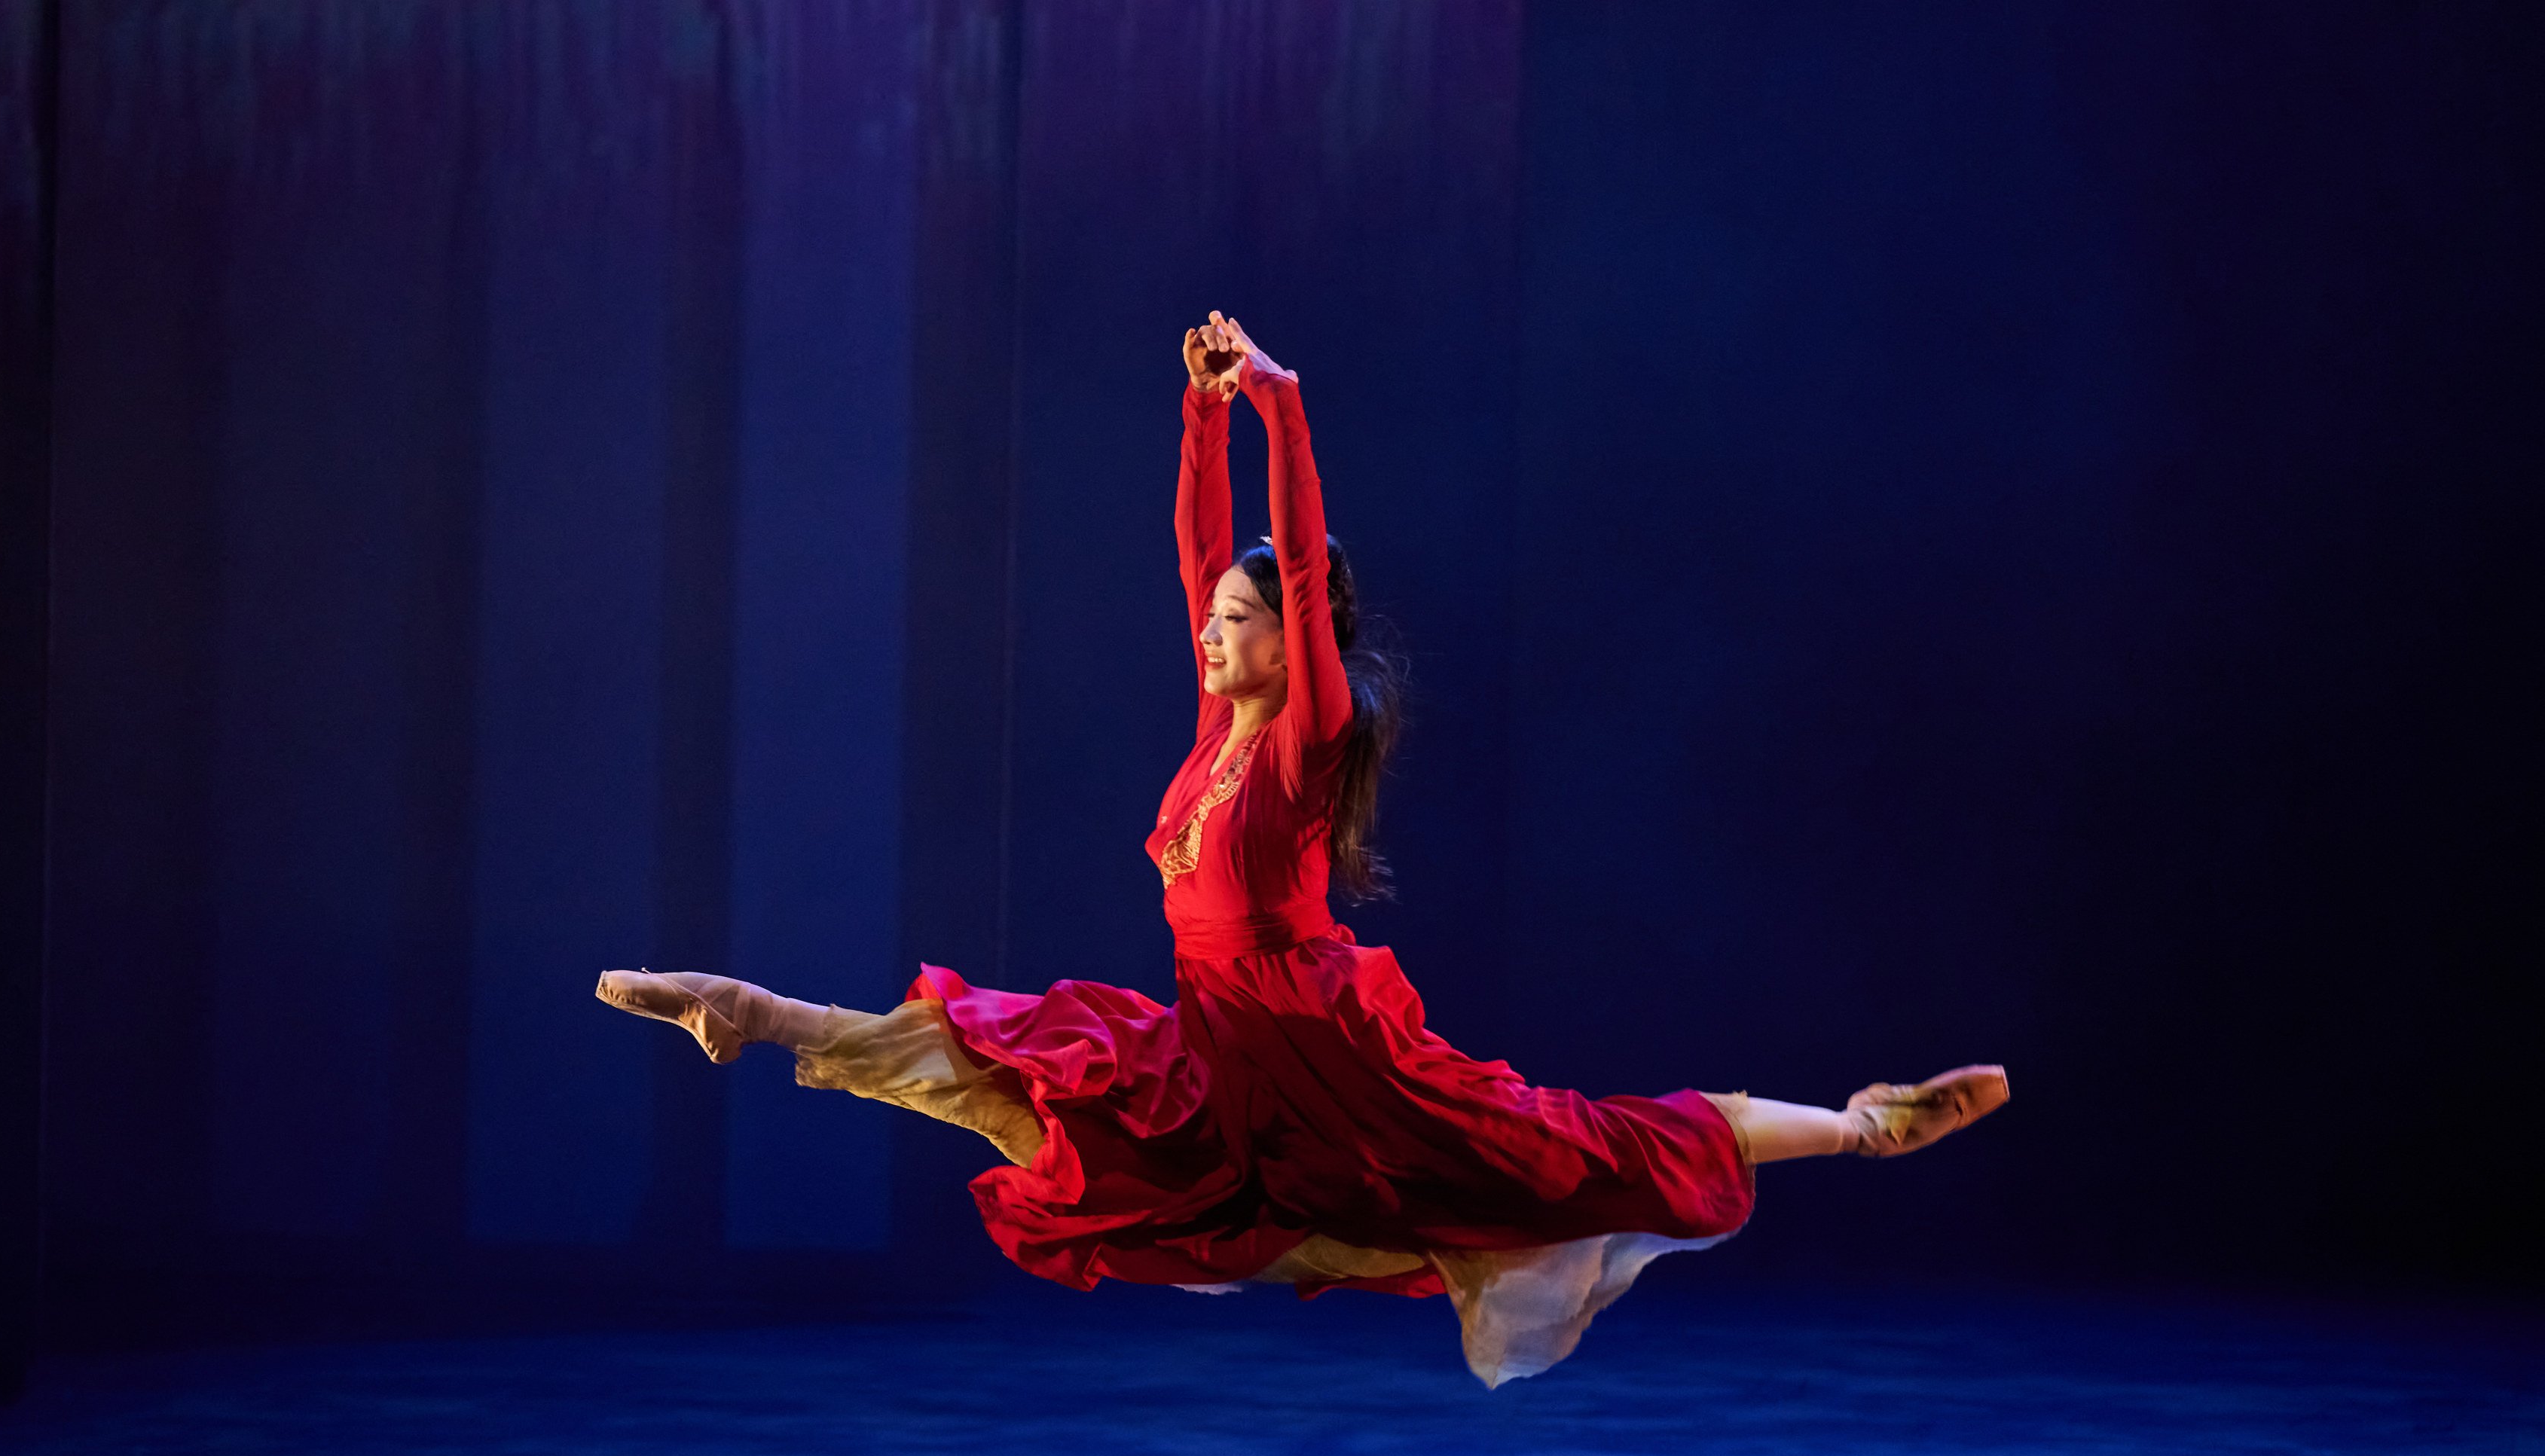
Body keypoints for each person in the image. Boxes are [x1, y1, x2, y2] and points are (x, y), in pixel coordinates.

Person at [600, 312, 2007, 1384]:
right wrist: (1201, 419)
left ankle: (1863, 1122)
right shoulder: (1216, 723)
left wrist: (1278, 401)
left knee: (1573, 1149)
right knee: (1021, 1065)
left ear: (1299, 638)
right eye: (1211, 616)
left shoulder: (1304, 734)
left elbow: (1295, 550)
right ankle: (763, 1011)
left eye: (1239, 618)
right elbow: (1197, 543)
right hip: (1223, 1049)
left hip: (1334, 1051)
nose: (1212, 630)